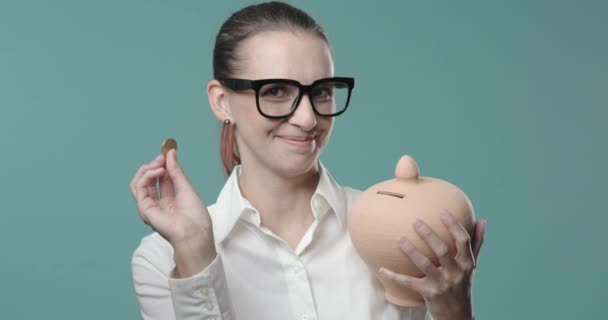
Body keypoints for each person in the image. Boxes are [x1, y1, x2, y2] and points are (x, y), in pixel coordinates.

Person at [129, 2, 486, 320]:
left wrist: (454, 312)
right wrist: (195, 256)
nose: (307, 118)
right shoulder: (163, 260)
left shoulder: (402, 233)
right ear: (222, 101)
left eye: (321, 92)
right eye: (276, 91)